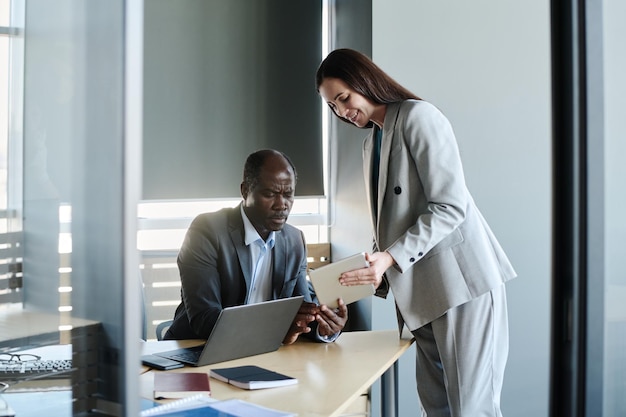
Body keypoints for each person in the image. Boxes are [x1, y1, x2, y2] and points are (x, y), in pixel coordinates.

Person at [316, 48, 517, 417]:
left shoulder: (418, 117)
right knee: (435, 408)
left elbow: (450, 206)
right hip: (419, 297)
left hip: (460, 286)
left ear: (364, 80)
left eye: (343, 98)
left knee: (472, 410)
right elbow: (390, 227)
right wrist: (366, 272)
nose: (342, 111)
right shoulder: (369, 143)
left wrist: (388, 258)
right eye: (332, 107)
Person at [164, 149, 348, 344]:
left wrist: (322, 324)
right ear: (245, 191)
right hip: (196, 350)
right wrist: (276, 328)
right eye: (270, 194)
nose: (281, 204)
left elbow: (301, 311)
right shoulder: (208, 230)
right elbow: (205, 319)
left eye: (288, 194)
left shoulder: (294, 241)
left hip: (263, 353)